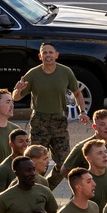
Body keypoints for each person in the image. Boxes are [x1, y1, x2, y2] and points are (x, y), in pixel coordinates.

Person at [12, 42, 93, 172]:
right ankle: (37, 188)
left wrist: (82, 111)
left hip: (59, 121)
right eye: (44, 52)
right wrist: (18, 90)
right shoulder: (33, 74)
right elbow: (16, 97)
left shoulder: (65, 72)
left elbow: (77, 93)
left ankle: (48, 185)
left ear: (56, 55)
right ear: (40, 56)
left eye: (50, 52)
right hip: (39, 121)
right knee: (36, 162)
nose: (48, 55)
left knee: (64, 164)